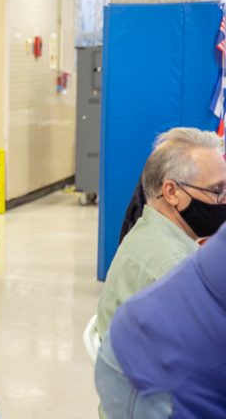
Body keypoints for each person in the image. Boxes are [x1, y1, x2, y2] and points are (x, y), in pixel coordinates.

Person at [96, 127, 226, 338]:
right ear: (172, 192)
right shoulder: (172, 265)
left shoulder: (148, 233)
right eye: (217, 191)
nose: (224, 200)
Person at [95, 221, 226, 418]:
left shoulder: (151, 237)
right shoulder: (168, 258)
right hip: (150, 378)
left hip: (133, 349)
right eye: (216, 190)